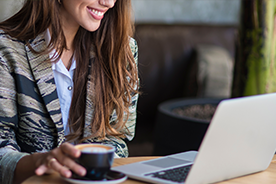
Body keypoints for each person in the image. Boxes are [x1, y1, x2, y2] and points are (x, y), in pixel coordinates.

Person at [0, 0, 139, 183]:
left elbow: (118, 137)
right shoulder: (6, 49)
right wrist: (39, 162)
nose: (109, 3)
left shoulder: (122, 49)